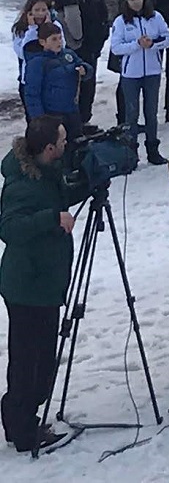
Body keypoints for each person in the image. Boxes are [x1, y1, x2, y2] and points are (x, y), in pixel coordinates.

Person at [0, 116, 90, 454]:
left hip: (42, 282)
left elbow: (61, 192)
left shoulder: (44, 172)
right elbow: (9, 228)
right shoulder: (22, 184)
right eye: (63, 141)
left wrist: (90, 182)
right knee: (30, 362)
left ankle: (20, 421)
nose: (67, 145)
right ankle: (23, 429)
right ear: (49, 148)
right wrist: (52, 218)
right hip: (29, 287)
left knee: (37, 358)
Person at [110, 0, 169, 165]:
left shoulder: (156, 17)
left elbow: (167, 38)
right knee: (132, 113)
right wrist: (136, 45)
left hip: (152, 71)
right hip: (131, 73)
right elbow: (116, 47)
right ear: (126, 2)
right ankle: (131, 153)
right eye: (132, 0)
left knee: (151, 112)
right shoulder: (121, 22)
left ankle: (152, 148)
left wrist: (152, 44)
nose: (136, 2)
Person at [20, 24, 89, 137]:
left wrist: (84, 69)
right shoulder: (36, 63)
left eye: (60, 38)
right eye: (54, 39)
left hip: (72, 110)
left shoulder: (68, 55)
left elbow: (82, 65)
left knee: (77, 143)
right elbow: (32, 94)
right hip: (52, 114)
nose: (59, 42)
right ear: (43, 42)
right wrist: (40, 120)